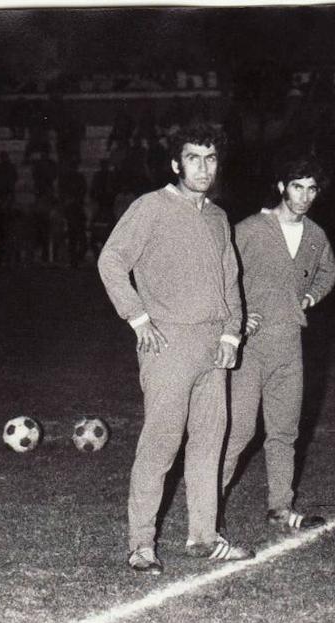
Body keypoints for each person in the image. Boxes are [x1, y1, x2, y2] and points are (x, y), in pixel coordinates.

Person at [97, 123, 252, 574]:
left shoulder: (219, 217)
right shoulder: (151, 208)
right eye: (193, 158)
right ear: (175, 164)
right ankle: (141, 543)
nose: (203, 167)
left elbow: (231, 282)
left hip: (213, 347)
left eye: (210, 159)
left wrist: (231, 333)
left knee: (210, 443)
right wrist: (137, 317)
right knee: (161, 444)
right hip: (168, 344)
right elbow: (111, 261)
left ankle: (204, 537)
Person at [222, 155, 335, 532]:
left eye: (311, 189)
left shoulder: (317, 235)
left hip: (290, 347)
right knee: (239, 431)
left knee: (284, 433)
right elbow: (222, 273)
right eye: (296, 186)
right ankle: (209, 510)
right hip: (250, 348)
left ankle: (280, 508)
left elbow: (330, 270)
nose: (304, 196)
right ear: (281, 187)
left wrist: (312, 297)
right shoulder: (250, 229)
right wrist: (236, 317)